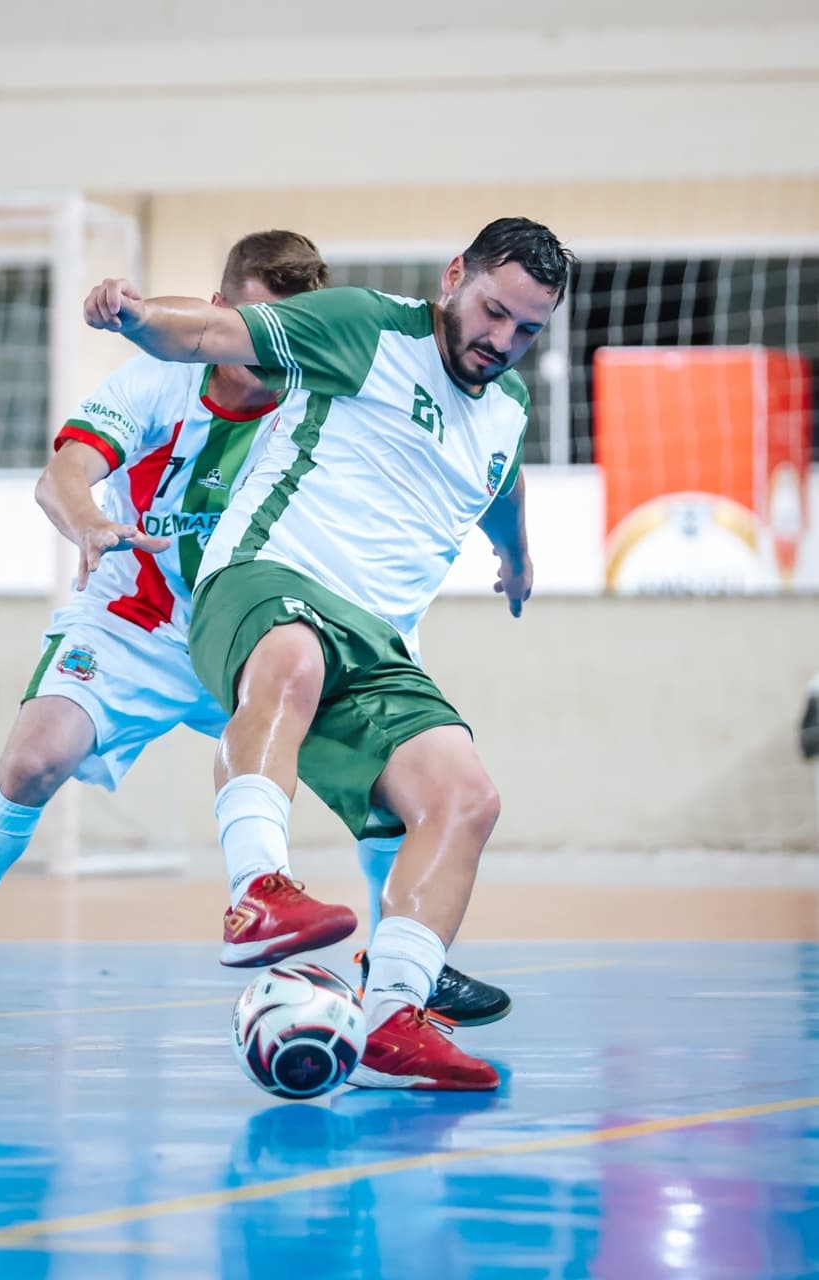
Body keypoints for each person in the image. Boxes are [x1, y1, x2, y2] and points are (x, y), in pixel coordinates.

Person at [0, 229, 509, 1052]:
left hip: (261, 623)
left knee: (391, 787)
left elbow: (470, 452)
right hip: (137, 622)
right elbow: (59, 474)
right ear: (219, 315)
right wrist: (91, 522)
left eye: (286, 336)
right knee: (31, 760)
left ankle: (404, 960)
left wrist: (507, 550)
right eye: (253, 329)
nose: (268, 357)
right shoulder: (156, 382)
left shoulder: (327, 390)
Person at [83, 216, 574, 1089]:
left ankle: (393, 1016)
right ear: (454, 274)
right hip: (267, 577)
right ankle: (256, 890)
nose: (501, 341)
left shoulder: (505, 407)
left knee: (466, 797)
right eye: (493, 312)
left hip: (377, 641)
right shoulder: (367, 327)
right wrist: (132, 316)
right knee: (294, 656)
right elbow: (212, 330)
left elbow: (502, 480)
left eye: (527, 329)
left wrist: (517, 553)